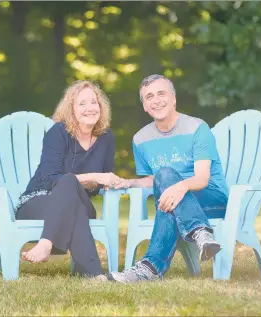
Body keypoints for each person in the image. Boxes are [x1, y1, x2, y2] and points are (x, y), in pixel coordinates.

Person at [110, 74, 229, 283]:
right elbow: (152, 180)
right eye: (149, 97)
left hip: (211, 199)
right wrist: (129, 182)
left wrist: (179, 187)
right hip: (175, 199)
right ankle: (200, 233)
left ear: (173, 99)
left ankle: (150, 268)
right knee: (165, 186)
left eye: (161, 93)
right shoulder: (140, 139)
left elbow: (201, 179)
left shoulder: (197, 128)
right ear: (145, 106)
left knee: (166, 184)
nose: (156, 100)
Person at [15, 80, 121, 281]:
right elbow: (49, 179)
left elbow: (99, 186)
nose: (90, 108)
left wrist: (103, 182)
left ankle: (46, 244)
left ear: (101, 106)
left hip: (78, 201)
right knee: (68, 184)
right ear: (71, 109)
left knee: (72, 192)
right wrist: (94, 177)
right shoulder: (59, 132)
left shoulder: (107, 138)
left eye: (94, 102)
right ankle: (95, 275)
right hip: (37, 201)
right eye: (82, 104)